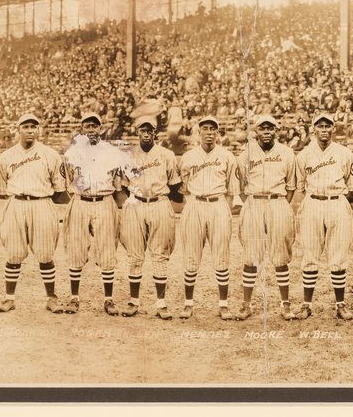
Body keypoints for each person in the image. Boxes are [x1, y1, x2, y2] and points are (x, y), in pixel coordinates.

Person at [0, 113, 70, 314]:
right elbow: (1, 187)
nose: (29, 131)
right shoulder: (6, 156)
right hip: (16, 203)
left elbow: (60, 189)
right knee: (14, 254)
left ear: (38, 130)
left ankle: (51, 298)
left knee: (45, 254)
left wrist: (41, 201)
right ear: (18, 129)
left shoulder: (51, 154)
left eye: (33, 127)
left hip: (42, 203)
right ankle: (9, 299)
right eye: (26, 127)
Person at [62, 113, 132, 316]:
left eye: (95, 126)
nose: (91, 130)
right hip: (80, 201)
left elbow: (119, 183)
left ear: (100, 128)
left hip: (104, 200)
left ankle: (108, 300)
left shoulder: (112, 152)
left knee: (107, 249)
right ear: (82, 128)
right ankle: (74, 299)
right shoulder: (72, 153)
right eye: (87, 126)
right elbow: (68, 181)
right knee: (76, 248)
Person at [291, 113, 353, 320]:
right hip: (312, 202)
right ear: (314, 129)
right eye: (320, 125)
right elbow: (300, 186)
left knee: (338, 256)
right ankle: (306, 305)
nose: (324, 129)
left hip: (337, 201)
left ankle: (340, 305)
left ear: (333, 129)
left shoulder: (344, 153)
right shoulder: (303, 156)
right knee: (310, 255)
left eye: (328, 125)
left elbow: (351, 182)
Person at [177, 116, 241, 320]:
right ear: (199, 132)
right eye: (205, 128)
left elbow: (233, 190)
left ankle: (223, 305)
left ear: (218, 132)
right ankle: (188, 304)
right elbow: (182, 187)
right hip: (195, 204)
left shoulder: (227, 156)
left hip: (218, 204)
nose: (209, 132)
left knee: (222, 255)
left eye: (213, 129)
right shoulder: (188, 157)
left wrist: (225, 209)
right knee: (191, 256)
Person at [238, 115, 300, 320]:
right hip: (254, 202)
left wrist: (280, 204)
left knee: (281, 256)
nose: (266, 131)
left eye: (270, 128)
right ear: (256, 131)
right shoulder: (245, 154)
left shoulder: (287, 153)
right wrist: (254, 201)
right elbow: (241, 188)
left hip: (278, 201)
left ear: (276, 130)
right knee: (251, 256)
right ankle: (246, 305)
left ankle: (285, 305)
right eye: (262, 128)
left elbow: (291, 187)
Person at [121, 115, 183, 320]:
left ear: (155, 132)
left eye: (150, 130)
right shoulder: (128, 156)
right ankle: (134, 302)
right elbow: (123, 184)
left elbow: (174, 186)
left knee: (160, 256)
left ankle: (161, 304)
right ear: (137, 132)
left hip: (159, 203)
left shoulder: (166, 155)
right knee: (135, 256)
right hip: (136, 203)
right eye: (142, 130)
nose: (146, 134)